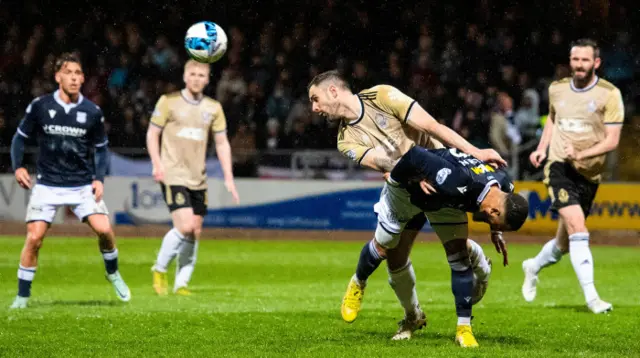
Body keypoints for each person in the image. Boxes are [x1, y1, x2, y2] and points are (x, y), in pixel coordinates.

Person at [308, 70, 517, 347]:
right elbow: (383, 162)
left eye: (315, 99)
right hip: (405, 188)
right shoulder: (345, 140)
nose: (314, 108)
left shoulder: (381, 95)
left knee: (456, 251)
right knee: (391, 254)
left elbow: (432, 127)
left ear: (333, 91)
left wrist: (476, 152)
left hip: (441, 178)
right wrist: (412, 174)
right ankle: (411, 315)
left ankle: (465, 322)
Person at [9, 53, 130, 309]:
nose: (74, 78)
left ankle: (112, 273)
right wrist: (18, 166)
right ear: (58, 77)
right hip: (47, 185)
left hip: (81, 185)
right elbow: (20, 138)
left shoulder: (92, 111)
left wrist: (99, 179)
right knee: (34, 239)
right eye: (69, 73)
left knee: (105, 230)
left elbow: (101, 148)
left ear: (83, 78)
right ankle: (22, 297)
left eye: (78, 73)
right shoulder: (40, 106)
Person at [522, 39, 624, 314]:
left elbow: (613, 140)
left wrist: (582, 154)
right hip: (559, 167)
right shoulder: (557, 89)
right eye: (575, 60)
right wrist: (542, 149)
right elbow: (553, 119)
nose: (579, 65)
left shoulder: (609, 94)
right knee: (579, 229)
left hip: (589, 174)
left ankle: (533, 266)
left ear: (596, 63)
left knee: (563, 245)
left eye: (585, 60)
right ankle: (593, 300)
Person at [147, 60, 239, 296]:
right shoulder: (168, 102)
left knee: (195, 230)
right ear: (185, 76)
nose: (197, 78)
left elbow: (221, 142)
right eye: (193, 74)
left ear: (208, 79)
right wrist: (157, 163)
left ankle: (181, 285)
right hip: (173, 174)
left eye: (202, 75)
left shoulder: (213, 108)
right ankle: (159, 268)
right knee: (185, 226)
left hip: (198, 177)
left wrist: (228, 175)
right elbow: (152, 133)